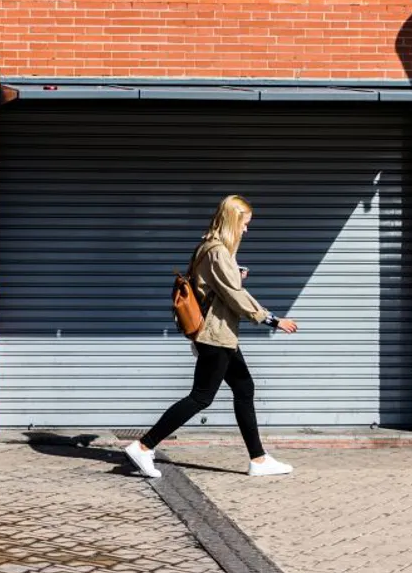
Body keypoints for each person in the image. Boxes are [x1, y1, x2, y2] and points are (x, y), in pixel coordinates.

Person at [124, 195, 298, 478]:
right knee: (201, 397)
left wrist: (234, 275)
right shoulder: (218, 252)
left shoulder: (209, 247)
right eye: (244, 224)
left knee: (244, 388)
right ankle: (143, 446)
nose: (246, 230)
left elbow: (219, 287)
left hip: (220, 335)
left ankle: (258, 459)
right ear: (232, 221)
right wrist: (272, 319)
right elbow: (235, 297)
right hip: (215, 336)